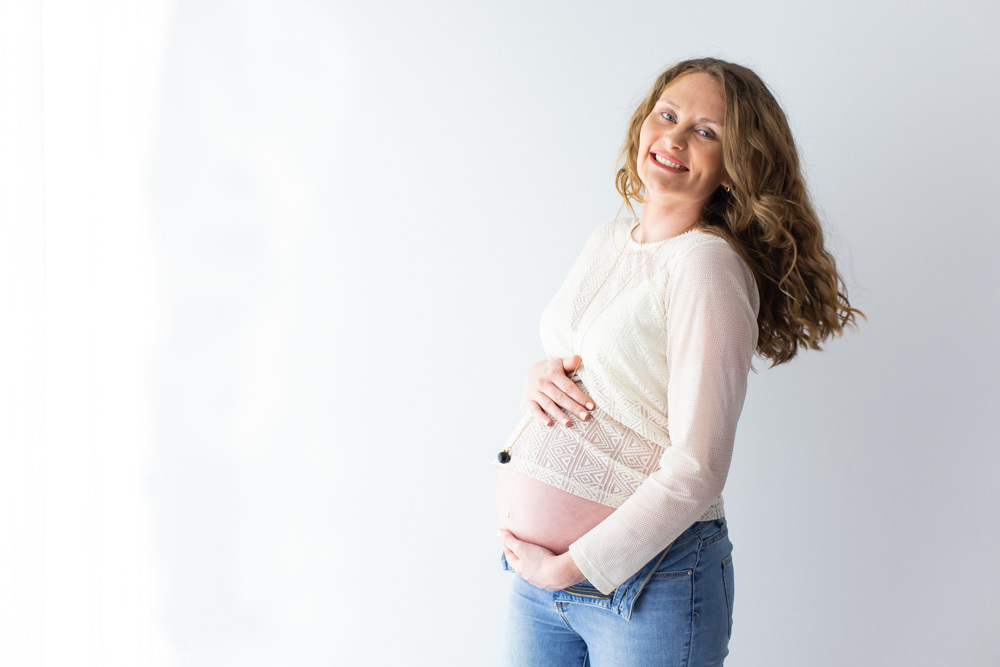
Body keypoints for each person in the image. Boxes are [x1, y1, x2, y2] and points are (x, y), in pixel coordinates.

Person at [493, 57, 862, 666]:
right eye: (668, 115)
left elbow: (698, 468)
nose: (675, 137)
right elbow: (599, 363)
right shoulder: (608, 241)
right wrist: (539, 374)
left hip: (647, 585)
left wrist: (571, 567)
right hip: (539, 586)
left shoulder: (705, 267)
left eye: (706, 131)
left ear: (734, 166)